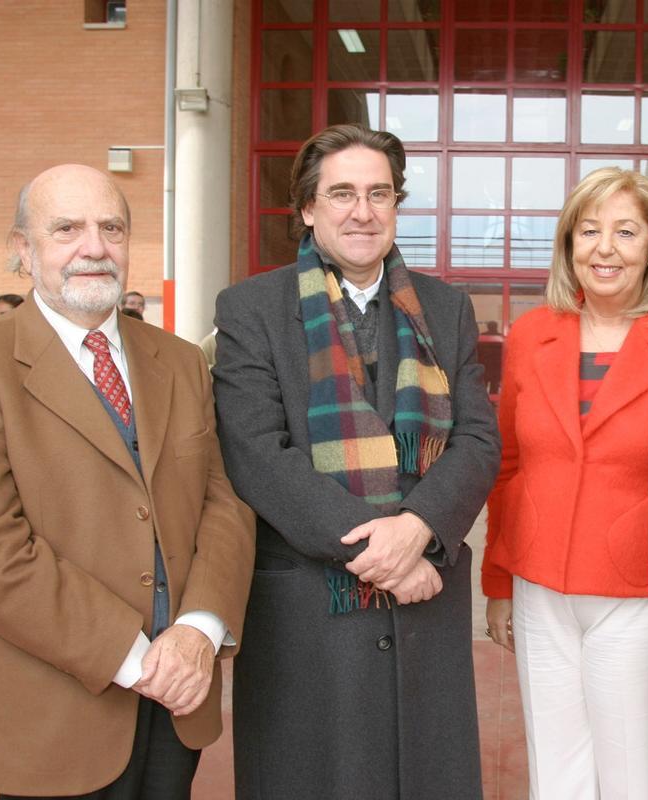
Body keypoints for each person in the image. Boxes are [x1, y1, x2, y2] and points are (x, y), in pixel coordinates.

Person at [0, 164, 256, 799]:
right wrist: (133, 659)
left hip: (178, 694)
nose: (93, 246)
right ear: (23, 250)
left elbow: (222, 503)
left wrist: (198, 631)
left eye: (111, 227)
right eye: (66, 228)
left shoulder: (180, 362)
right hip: (53, 709)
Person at [213, 124, 500, 799]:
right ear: (307, 208)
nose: (362, 211)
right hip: (310, 604)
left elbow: (478, 440)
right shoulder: (251, 308)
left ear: (397, 205)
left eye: (379, 193)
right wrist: (381, 549)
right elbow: (256, 453)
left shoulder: (447, 307)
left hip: (426, 598)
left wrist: (420, 528)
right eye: (341, 193)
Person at [482, 167, 648, 799]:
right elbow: (509, 463)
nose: (604, 248)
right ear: (569, 244)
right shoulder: (531, 335)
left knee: (631, 775)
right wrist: (498, 582)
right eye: (589, 231)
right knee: (555, 773)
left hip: (637, 590)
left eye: (626, 232)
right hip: (538, 584)